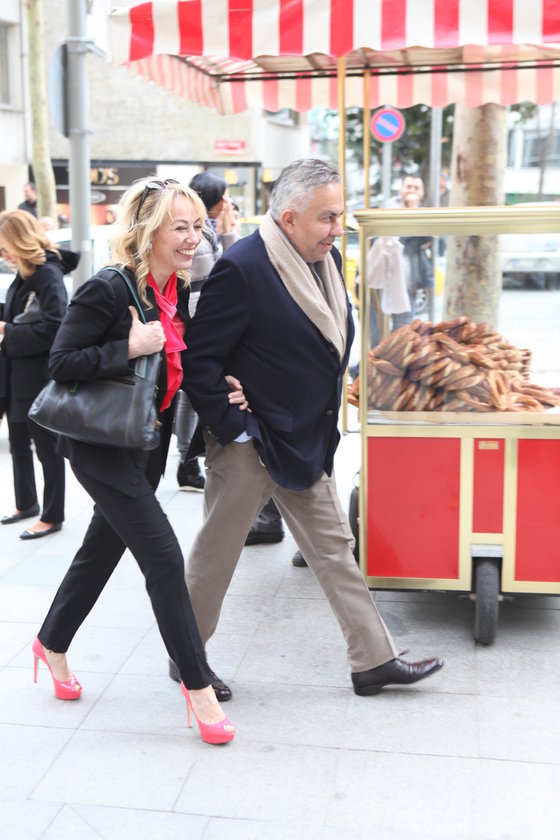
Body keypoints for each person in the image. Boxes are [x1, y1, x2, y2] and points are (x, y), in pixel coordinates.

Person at [174, 158, 444, 699]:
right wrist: (237, 427)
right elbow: (199, 362)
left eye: (339, 215)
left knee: (336, 551)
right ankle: (187, 662)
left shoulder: (327, 258)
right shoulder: (243, 268)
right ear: (290, 218)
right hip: (251, 444)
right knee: (215, 559)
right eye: (327, 218)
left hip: (304, 440)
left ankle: (374, 661)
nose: (337, 228)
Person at [32, 177, 241, 744]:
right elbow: (61, 361)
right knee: (165, 558)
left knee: (100, 551)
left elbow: (175, 366)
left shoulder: (171, 289)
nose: (194, 238)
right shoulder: (108, 288)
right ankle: (197, 686)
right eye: (181, 227)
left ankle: (51, 642)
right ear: (148, 232)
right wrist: (127, 346)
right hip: (100, 446)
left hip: (142, 444)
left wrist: (226, 387)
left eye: (198, 226)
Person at [0, 210, 75, 539]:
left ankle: (52, 514)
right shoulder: (25, 272)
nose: (3, 254)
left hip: (39, 375)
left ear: (21, 241)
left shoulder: (47, 274)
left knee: (47, 447)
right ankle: (26, 502)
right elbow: (19, 314)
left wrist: (8, 331)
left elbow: (56, 327)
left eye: (5, 247)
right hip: (18, 372)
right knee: (18, 441)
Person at [175, 172, 239, 491]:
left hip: (202, 323)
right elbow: (221, 279)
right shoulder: (200, 236)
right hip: (200, 324)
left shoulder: (207, 230)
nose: (228, 201)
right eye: (223, 195)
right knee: (192, 392)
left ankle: (188, 459)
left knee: (192, 391)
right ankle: (187, 460)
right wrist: (228, 234)